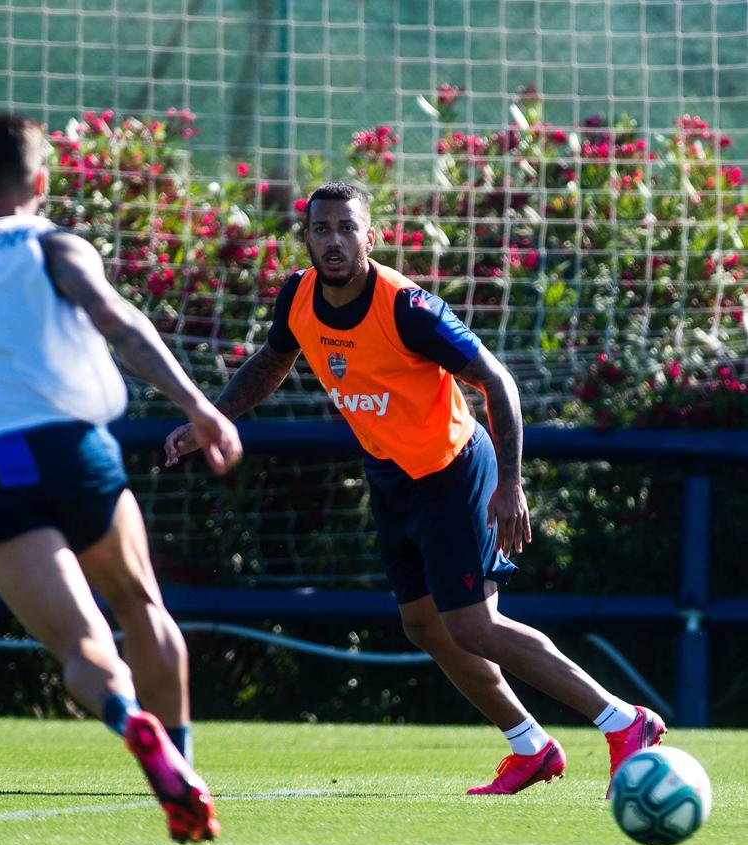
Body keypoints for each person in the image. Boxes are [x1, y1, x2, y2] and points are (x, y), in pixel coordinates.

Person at [165, 180, 666, 796]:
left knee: (475, 626)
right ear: (307, 240)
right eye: (321, 229)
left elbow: (498, 383)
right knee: (424, 627)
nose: (333, 240)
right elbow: (271, 362)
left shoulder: (407, 307)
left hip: (454, 471)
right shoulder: (297, 297)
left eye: (346, 228)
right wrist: (211, 418)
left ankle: (624, 721)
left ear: (369, 236)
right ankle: (530, 745)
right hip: (391, 476)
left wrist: (510, 485)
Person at [0, 113, 242, 842]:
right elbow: (117, 319)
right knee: (142, 610)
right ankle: (182, 768)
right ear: (40, 182)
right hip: (70, 450)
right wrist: (198, 407)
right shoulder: (51, 243)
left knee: (82, 649)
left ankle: (131, 722)